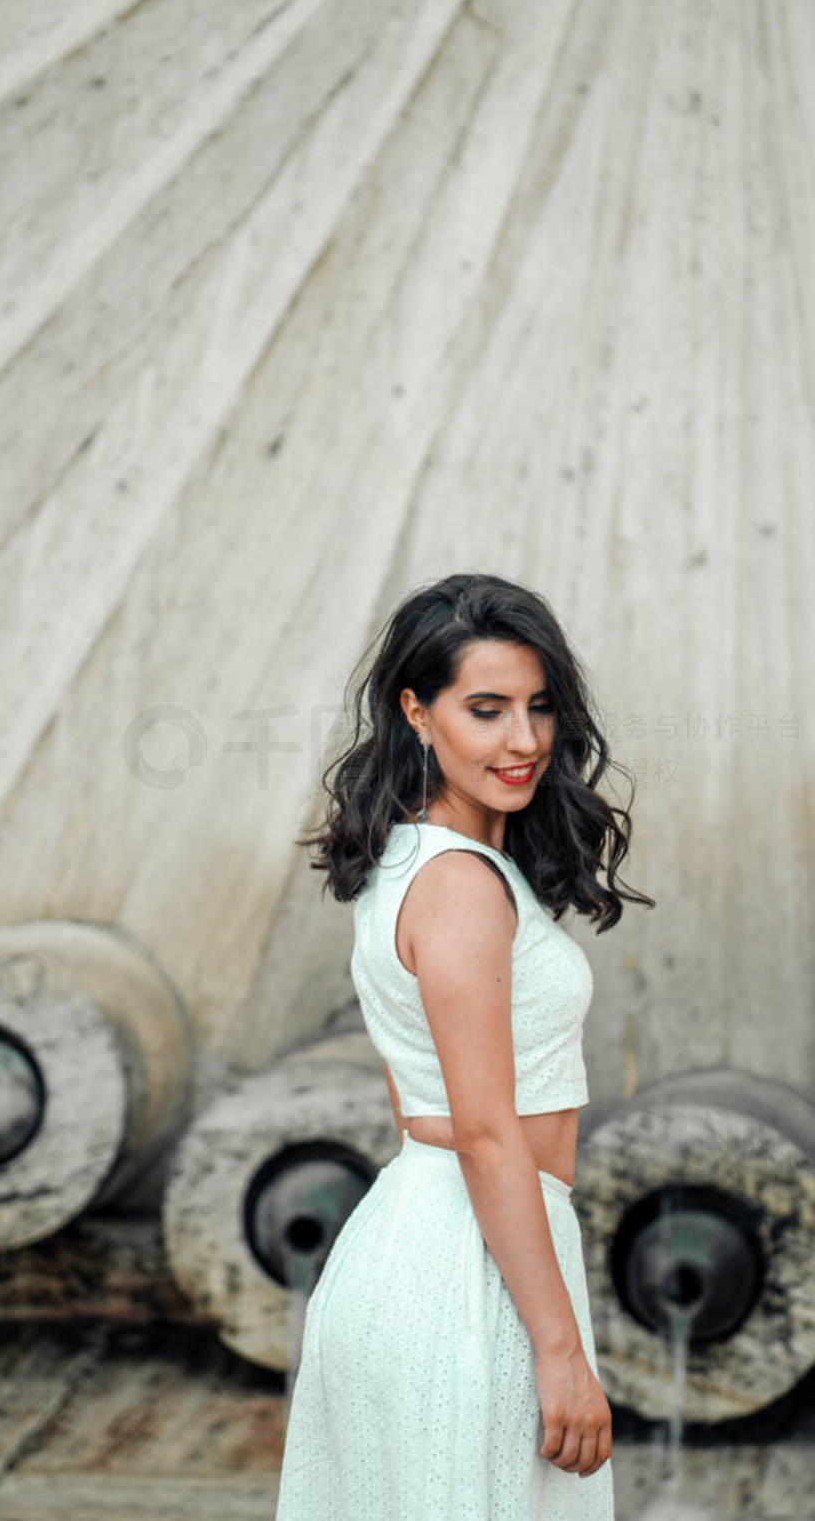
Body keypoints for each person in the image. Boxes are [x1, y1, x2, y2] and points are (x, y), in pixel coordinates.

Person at [275, 572, 655, 1519]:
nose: (523, 741)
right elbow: (487, 1134)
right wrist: (561, 1351)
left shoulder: (420, 857)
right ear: (417, 710)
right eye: (486, 710)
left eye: (539, 708)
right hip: (466, 1272)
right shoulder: (458, 885)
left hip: (444, 1244)